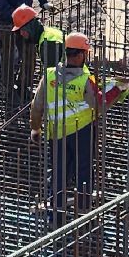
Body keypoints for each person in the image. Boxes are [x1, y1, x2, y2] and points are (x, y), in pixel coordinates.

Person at [30, 31, 104, 229]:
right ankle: (84, 215)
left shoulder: (50, 75)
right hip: (83, 134)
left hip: (57, 135)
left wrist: (35, 128)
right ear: (80, 55)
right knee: (83, 173)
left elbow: (37, 105)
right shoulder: (86, 80)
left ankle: (56, 217)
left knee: (59, 174)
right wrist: (117, 92)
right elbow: (98, 106)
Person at [12, 4, 65, 93]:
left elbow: (52, 78)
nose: (21, 34)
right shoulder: (47, 32)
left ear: (30, 26)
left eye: (22, 29)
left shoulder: (48, 44)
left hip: (71, 80)